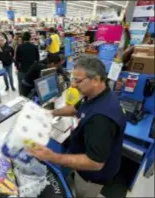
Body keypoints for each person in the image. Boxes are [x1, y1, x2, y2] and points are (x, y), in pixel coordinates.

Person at [28, 56, 126, 197]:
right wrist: (51, 112)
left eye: (78, 80)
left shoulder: (101, 119)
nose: (73, 85)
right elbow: (76, 108)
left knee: (81, 194)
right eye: (73, 79)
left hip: (92, 176)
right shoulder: (95, 94)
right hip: (86, 156)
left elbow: (95, 162)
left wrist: (53, 156)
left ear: (96, 80)